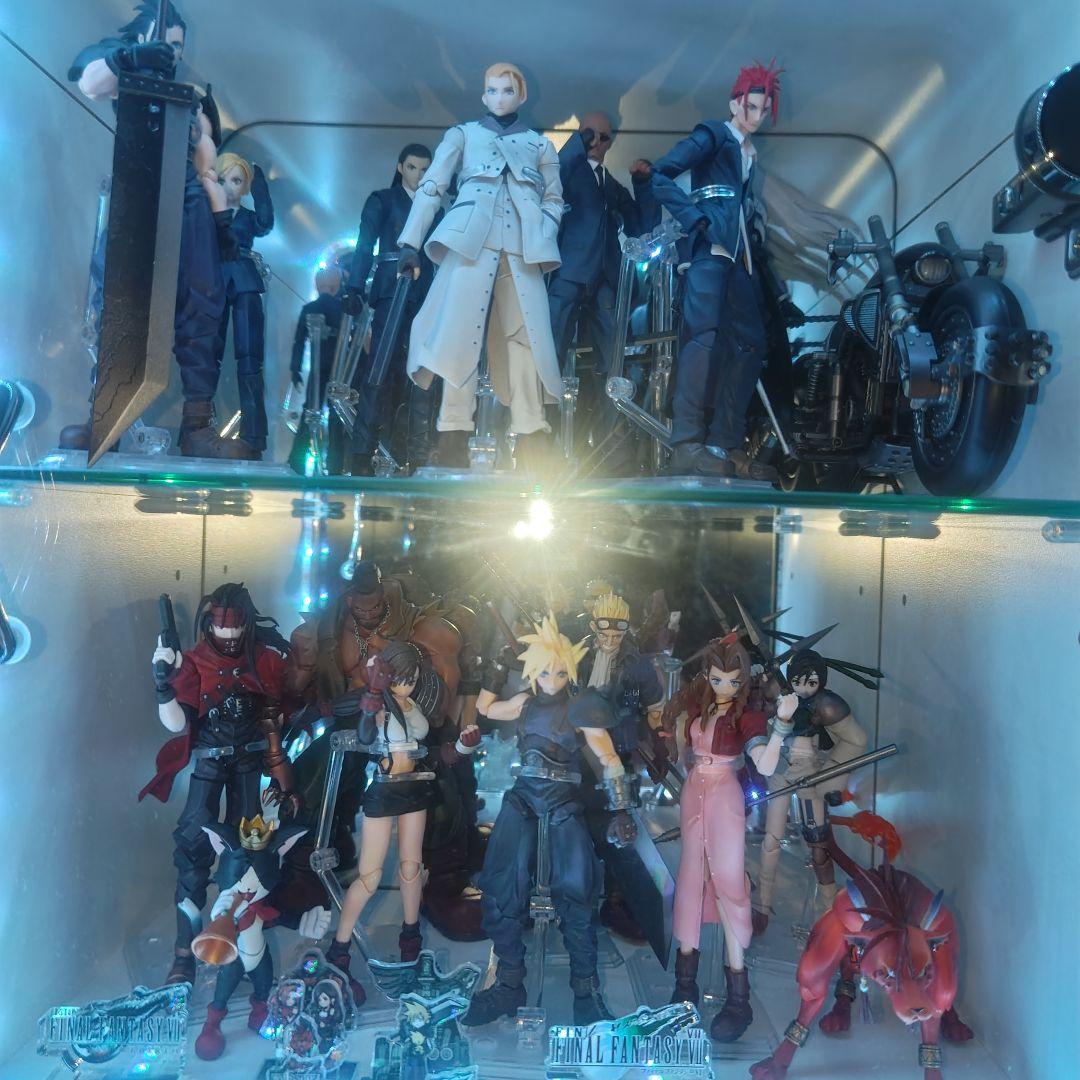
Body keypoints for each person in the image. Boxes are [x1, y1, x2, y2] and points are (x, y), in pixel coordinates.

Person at [67, 2, 251, 458]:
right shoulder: (119, 62)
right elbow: (90, 83)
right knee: (119, 299)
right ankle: (104, 418)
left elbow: (206, 161)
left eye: (180, 46)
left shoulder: (191, 97)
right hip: (138, 193)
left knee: (201, 303)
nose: (176, 53)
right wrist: (128, 58)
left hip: (187, 200)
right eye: (170, 42)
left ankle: (197, 425)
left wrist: (221, 221)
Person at [464, 614, 636, 1026]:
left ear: (570, 670)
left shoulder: (580, 708)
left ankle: (585, 993)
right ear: (532, 670)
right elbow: (486, 708)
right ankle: (509, 984)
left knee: (577, 892)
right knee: (500, 888)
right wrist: (497, 667)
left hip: (562, 803)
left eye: (560, 672)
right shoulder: (524, 704)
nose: (552, 679)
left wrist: (620, 808)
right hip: (524, 798)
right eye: (544, 672)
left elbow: (609, 757)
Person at [395, 62, 564, 471]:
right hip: (470, 242)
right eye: (493, 90)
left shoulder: (539, 145)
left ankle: (531, 433)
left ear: (521, 96)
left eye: (508, 91)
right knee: (459, 337)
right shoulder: (463, 134)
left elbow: (554, 198)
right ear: (483, 94)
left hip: (521, 250)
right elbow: (433, 186)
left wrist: (542, 230)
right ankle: (453, 433)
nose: (500, 98)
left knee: (525, 340)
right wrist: (410, 241)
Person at [141, 583, 298, 986]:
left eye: (235, 626)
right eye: (220, 626)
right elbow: (178, 724)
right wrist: (163, 686)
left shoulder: (265, 659)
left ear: (246, 623)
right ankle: (184, 952)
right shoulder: (194, 662)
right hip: (209, 764)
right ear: (209, 624)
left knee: (248, 853)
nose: (228, 634)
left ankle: (244, 942)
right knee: (193, 849)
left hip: (249, 765)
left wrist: (282, 773)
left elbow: (278, 717)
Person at [647, 61, 783, 480]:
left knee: (751, 344)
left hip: (736, 256)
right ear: (735, 103)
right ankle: (686, 441)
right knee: (701, 337)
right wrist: (696, 220)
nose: (756, 117)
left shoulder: (748, 152)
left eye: (763, 110)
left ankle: (725, 441)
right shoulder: (714, 134)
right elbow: (660, 174)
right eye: (751, 107)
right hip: (710, 250)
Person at [666, 634, 796, 1041]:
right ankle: (683, 987)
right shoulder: (698, 707)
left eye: (733, 680)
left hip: (724, 794)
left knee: (728, 884)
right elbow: (677, 741)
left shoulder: (748, 718)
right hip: (694, 790)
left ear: (744, 681)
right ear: (707, 675)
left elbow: (767, 764)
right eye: (717, 678)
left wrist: (782, 725)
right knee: (691, 880)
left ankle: (738, 996)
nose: (724, 687)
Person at [547, 112, 657, 471]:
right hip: (568, 272)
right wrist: (576, 144)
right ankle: (539, 438)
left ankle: (613, 444)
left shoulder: (610, 185)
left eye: (603, 137)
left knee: (614, 360)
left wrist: (643, 184)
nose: (596, 142)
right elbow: (551, 175)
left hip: (604, 281)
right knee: (549, 354)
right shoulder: (567, 172)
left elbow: (642, 227)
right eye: (589, 135)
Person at [753, 649, 867, 932]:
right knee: (771, 841)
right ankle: (763, 906)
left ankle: (830, 911)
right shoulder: (780, 697)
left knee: (818, 844)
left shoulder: (824, 704)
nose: (804, 688)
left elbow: (856, 740)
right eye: (798, 681)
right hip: (781, 770)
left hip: (810, 773)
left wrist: (831, 776)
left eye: (811, 682)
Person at [344, 145, 442, 474]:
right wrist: (355, 286)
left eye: (425, 169)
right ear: (401, 167)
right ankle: (362, 452)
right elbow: (364, 245)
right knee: (379, 370)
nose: (419, 175)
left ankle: (416, 451)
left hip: (424, 293)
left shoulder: (436, 209)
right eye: (413, 167)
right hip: (390, 290)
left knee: (421, 371)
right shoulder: (383, 200)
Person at [213, 152, 275, 459]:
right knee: (205, 356)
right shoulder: (208, 216)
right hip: (212, 281)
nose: (229, 187)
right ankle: (197, 427)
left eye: (237, 180)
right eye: (223, 180)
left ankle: (254, 434)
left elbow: (266, 223)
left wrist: (260, 187)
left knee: (250, 358)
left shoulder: (249, 218)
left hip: (245, 282)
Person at [288, 266, 345, 473]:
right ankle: (335, 464)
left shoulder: (311, 308)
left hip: (320, 369)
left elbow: (299, 342)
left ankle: (297, 463)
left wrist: (295, 369)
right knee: (334, 415)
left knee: (311, 412)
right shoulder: (341, 309)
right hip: (336, 370)